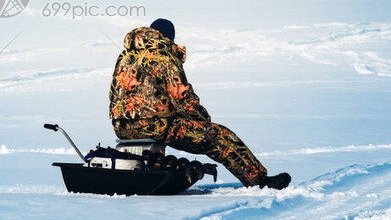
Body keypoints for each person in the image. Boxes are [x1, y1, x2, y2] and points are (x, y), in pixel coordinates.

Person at [109, 18, 291, 190]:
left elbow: (113, 94)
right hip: (156, 127)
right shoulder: (164, 58)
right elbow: (184, 101)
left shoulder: (125, 57)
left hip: (122, 127)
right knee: (220, 137)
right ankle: (259, 180)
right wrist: (203, 120)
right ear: (168, 38)